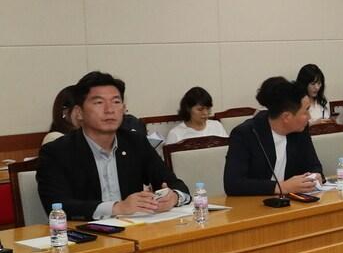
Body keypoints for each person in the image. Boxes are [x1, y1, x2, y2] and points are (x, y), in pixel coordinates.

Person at [37, 71, 190, 220]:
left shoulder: (136, 142)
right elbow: (57, 206)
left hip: (134, 232)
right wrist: (117, 207)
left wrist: (174, 197)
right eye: (99, 102)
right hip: (86, 237)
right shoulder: (56, 152)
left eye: (116, 102)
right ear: (79, 113)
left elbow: (175, 184)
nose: (109, 110)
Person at [224, 77, 323, 196]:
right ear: (286, 117)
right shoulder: (245, 134)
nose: (309, 117)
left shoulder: (300, 130)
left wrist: (316, 175)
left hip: (292, 204)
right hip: (254, 205)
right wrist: (281, 187)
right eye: (305, 111)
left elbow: (314, 165)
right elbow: (233, 184)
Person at [164, 87, 229, 146]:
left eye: (208, 109)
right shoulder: (175, 134)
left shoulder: (217, 126)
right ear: (188, 109)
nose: (205, 113)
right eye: (200, 109)